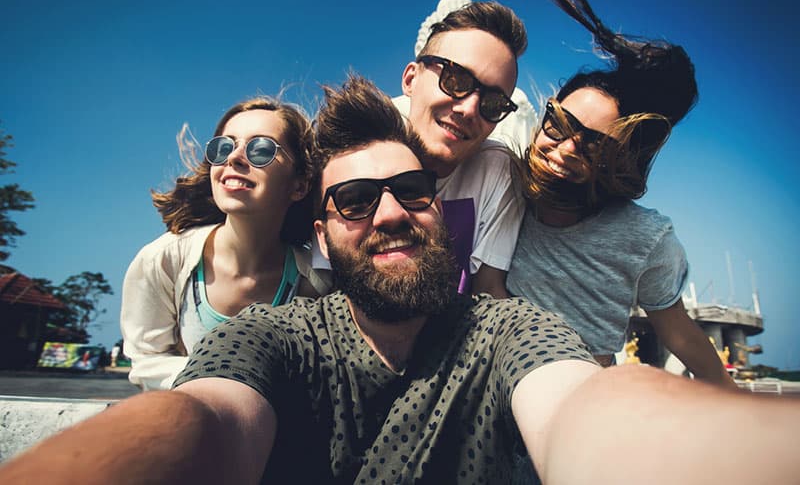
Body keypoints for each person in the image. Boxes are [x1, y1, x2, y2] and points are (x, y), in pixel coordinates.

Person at [1, 75, 798, 485]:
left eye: (411, 193)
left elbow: (587, 406)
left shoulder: (507, 332)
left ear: (440, 212)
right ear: (320, 231)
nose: (388, 213)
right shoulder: (277, 336)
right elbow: (205, 418)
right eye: (353, 199)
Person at [504, 0, 735, 387]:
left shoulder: (645, 239)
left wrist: (734, 400)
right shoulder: (504, 187)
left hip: (579, 403)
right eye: (559, 123)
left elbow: (679, 333)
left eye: (593, 144)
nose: (567, 149)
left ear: (618, 160)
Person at [314, 0, 528, 297]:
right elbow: (318, 287)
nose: (469, 109)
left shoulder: (497, 167)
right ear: (410, 78)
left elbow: (489, 290)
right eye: (455, 79)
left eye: (493, 103)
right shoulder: (356, 145)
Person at [121, 96, 329, 390]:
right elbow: (146, 364)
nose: (234, 158)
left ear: (299, 185)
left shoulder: (316, 283)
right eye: (223, 148)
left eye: (261, 149)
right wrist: (229, 383)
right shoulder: (163, 261)